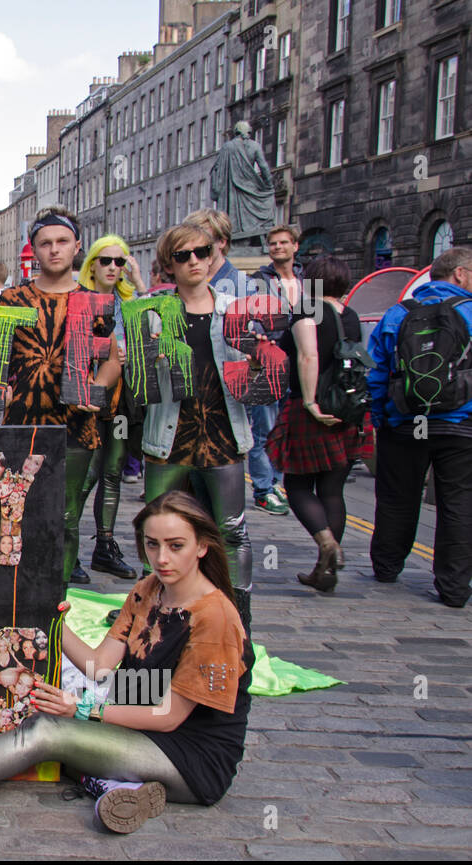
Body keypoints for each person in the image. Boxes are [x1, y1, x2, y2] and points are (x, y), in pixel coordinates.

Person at [0, 490, 253, 834]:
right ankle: (108, 781)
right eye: (152, 544)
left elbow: (170, 717)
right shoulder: (150, 588)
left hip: (191, 759)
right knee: (41, 696)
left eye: (176, 546)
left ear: (203, 546)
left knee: (48, 730)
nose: (162, 558)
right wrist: (53, 623)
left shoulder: (215, 617)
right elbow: (99, 667)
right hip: (138, 724)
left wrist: (85, 711)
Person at [0, 208, 123, 585]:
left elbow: (113, 360)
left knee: (65, 516)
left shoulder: (94, 302)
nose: (54, 250)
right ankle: (18, 595)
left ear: (77, 246)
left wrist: (96, 390)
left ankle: (58, 598)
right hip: (23, 420)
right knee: (17, 511)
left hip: (74, 424)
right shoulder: (12, 299)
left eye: (62, 242)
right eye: (45, 243)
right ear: (34, 249)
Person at [141, 224, 257, 636]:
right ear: (169, 264)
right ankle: (152, 619)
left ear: (212, 255)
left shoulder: (237, 309)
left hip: (223, 433)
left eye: (201, 252)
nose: (194, 261)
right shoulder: (153, 312)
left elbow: (258, 375)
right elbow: (141, 385)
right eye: (183, 255)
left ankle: (236, 620)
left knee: (231, 529)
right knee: (157, 529)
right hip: (169, 435)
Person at [367, 246, 472, 609]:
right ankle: (454, 588)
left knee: (397, 497)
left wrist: (380, 417)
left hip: (406, 422)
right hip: (460, 423)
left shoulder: (397, 314)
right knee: (458, 501)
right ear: (459, 274)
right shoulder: (470, 311)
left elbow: (378, 370)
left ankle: (386, 566)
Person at [265, 255, 372, 592]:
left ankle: (327, 544)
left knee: (296, 486)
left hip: (312, 409)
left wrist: (310, 401)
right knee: (331, 490)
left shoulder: (309, 310)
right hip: (348, 410)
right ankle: (325, 572)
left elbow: (308, 355)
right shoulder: (350, 316)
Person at [184, 208, 287, 516]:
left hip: (236, 384)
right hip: (197, 388)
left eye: (205, 244)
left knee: (255, 431)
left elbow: (269, 331)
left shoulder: (243, 285)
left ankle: (265, 486)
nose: (195, 253)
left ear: (222, 244)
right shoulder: (187, 281)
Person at [71, 234, 147, 582]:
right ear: (92, 264)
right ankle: (68, 550)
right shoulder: (78, 299)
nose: (114, 267)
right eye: (106, 261)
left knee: (113, 470)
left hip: (121, 403)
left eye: (121, 261)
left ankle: (105, 546)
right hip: (87, 401)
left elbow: (153, 333)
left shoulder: (130, 303)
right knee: (85, 475)